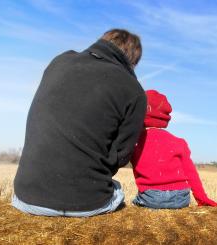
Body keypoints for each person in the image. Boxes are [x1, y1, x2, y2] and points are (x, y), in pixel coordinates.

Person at [12, 29, 147, 217]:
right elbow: (121, 155)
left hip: (24, 197)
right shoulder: (135, 91)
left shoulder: (60, 61)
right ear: (132, 60)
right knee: (117, 190)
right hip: (85, 203)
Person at [131, 90, 217, 209]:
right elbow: (191, 173)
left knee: (133, 202)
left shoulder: (134, 142)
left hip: (152, 197)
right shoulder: (178, 142)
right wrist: (202, 198)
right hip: (182, 197)